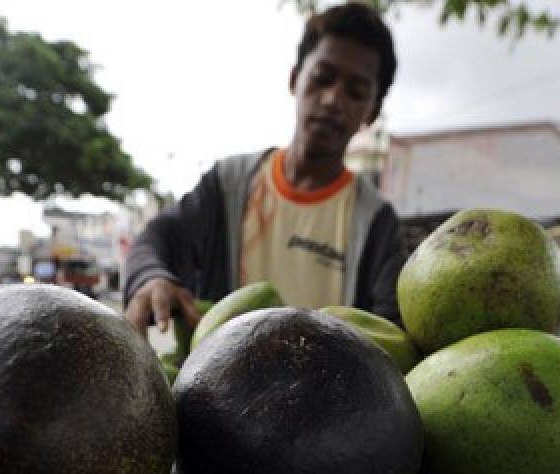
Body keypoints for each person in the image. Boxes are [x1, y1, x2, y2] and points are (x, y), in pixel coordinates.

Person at [123, 3, 407, 335]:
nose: (332, 100)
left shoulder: (376, 221)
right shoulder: (228, 184)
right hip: (216, 386)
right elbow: (156, 238)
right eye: (322, 77)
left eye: (355, 91)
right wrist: (150, 277)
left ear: (371, 113)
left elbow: (390, 335)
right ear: (294, 79)